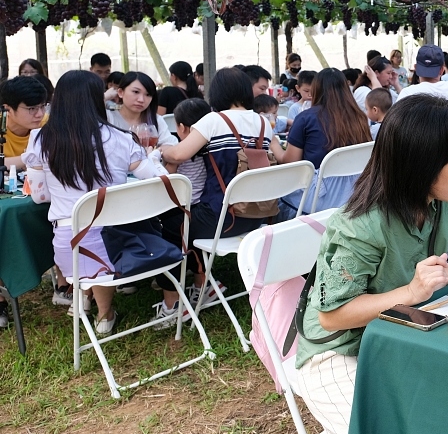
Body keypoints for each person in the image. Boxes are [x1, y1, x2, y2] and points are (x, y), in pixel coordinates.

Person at [293, 96, 448, 434]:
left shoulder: (446, 198)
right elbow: (332, 317)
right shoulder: (360, 225)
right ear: (425, 165)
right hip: (341, 350)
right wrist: (412, 292)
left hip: (404, 334)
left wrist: (445, 274)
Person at [24, 71, 171, 335]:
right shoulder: (122, 138)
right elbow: (161, 181)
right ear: (97, 100)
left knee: (83, 243)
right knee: (101, 237)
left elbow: (39, 196)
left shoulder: (40, 139)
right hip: (120, 248)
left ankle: (91, 301)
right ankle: (105, 314)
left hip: (69, 251)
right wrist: (156, 157)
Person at [159, 67, 286, 308]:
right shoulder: (263, 123)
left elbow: (178, 154)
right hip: (258, 217)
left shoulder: (214, 120)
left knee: (171, 225)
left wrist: (162, 149)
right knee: (188, 222)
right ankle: (203, 284)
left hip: (221, 220)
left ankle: (176, 298)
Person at [151, 97, 214, 327]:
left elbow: (167, 177)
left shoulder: (181, 152)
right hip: (202, 210)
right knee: (194, 243)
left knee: (164, 237)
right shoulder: (210, 148)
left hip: (181, 211)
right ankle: (203, 287)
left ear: (182, 128)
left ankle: (173, 304)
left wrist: (160, 154)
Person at [281, 68, 373, 217]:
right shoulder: (360, 118)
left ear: (316, 89)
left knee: (279, 195)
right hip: (355, 194)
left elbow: (291, 163)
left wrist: (273, 145)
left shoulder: (305, 118)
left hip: (318, 198)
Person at [106, 72, 178, 148]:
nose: (141, 100)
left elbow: (170, 144)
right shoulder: (108, 117)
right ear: (121, 92)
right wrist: (105, 96)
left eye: (148, 95)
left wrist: (158, 151)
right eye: (136, 92)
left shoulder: (155, 120)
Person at [1, 76, 48, 170]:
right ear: (8, 109)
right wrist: (30, 159)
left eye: (42, 106)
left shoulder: (47, 124)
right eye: (32, 108)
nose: (40, 114)